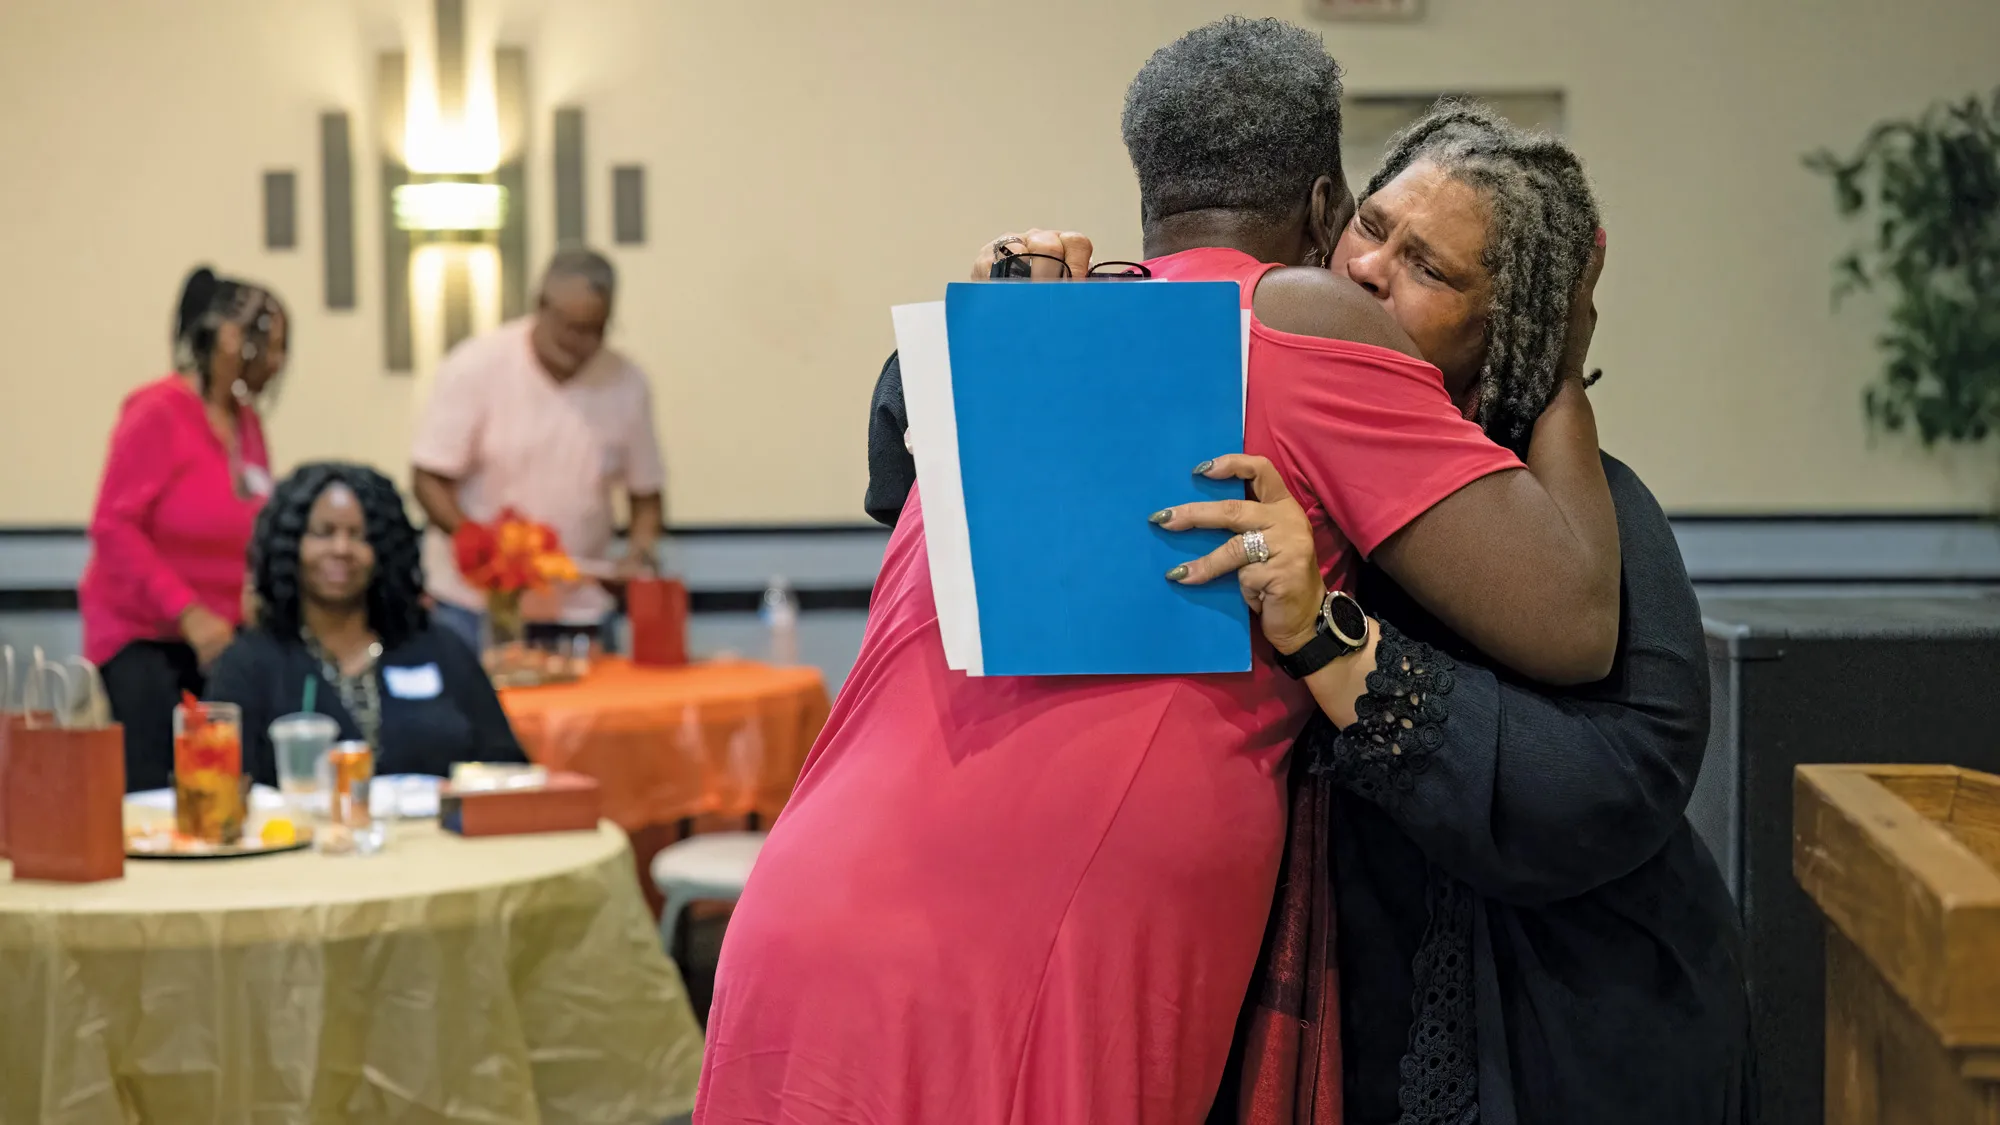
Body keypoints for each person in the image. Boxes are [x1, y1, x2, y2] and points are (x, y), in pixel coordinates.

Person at [696, 20, 1625, 1125]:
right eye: (1371, 231)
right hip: (1034, 936)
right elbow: (1573, 618)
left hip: (813, 902)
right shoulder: (1297, 313)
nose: (1372, 271)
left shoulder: (1043, 319)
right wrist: (1560, 361)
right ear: (1324, 207)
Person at [869, 109, 1750, 1124]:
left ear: (1501, 332)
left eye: (1427, 268)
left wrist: (1334, 642)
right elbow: (919, 488)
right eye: (1369, 225)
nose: (1367, 268)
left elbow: (1606, 786)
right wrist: (1031, 340)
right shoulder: (1272, 447)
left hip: (1574, 1040)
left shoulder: (1572, 527)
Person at [82, 266, 288, 791]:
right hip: (146, 634)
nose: (276, 362)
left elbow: (253, 518)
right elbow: (113, 526)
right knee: (160, 785)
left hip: (223, 638)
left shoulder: (246, 423)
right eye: (267, 344)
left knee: (230, 775)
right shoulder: (157, 411)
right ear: (226, 337)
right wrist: (188, 612)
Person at [204, 462, 525, 786]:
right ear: (289, 545)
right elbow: (222, 783)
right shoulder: (248, 664)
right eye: (323, 533)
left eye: (360, 536)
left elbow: (507, 768)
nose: (341, 549)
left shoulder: (439, 649)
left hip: (439, 834)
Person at [411, 248, 666, 651]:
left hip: (578, 611)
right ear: (540, 307)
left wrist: (639, 555)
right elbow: (429, 478)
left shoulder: (627, 382)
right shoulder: (476, 366)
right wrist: (481, 548)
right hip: (474, 606)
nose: (580, 342)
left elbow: (646, 496)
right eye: (568, 326)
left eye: (594, 329)